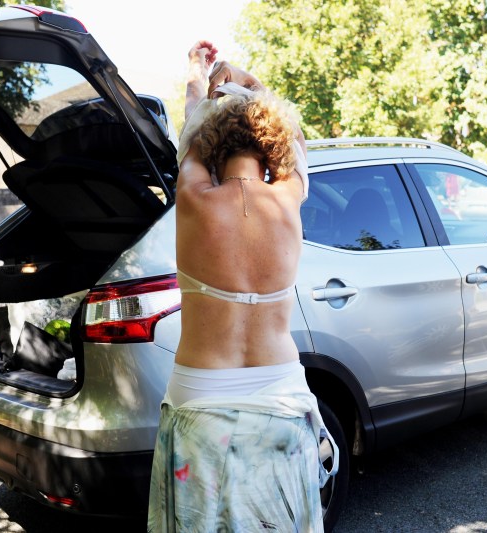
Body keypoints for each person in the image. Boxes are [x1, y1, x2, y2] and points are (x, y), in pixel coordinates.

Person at [147, 41, 337, 532]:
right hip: (281, 393)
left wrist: (199, 72)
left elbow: (191, 126)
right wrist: (246, 81)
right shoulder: (290, 196)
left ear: (211, 145)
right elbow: (291, 132)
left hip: (202, 393)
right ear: (270, 144)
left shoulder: (192, 196)